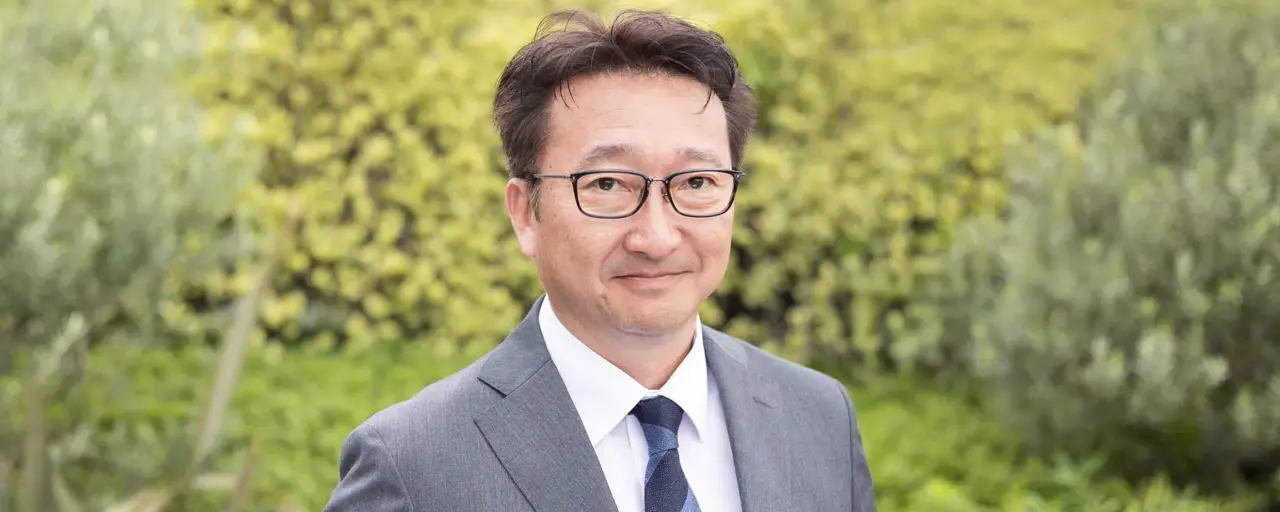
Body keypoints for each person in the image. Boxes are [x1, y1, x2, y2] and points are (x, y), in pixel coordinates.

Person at [323, 8, 876, 512]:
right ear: (524, 213)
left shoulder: (819, 414)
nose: (657, 236)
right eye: (607, 183)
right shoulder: (414, 464)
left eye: (697, 181)